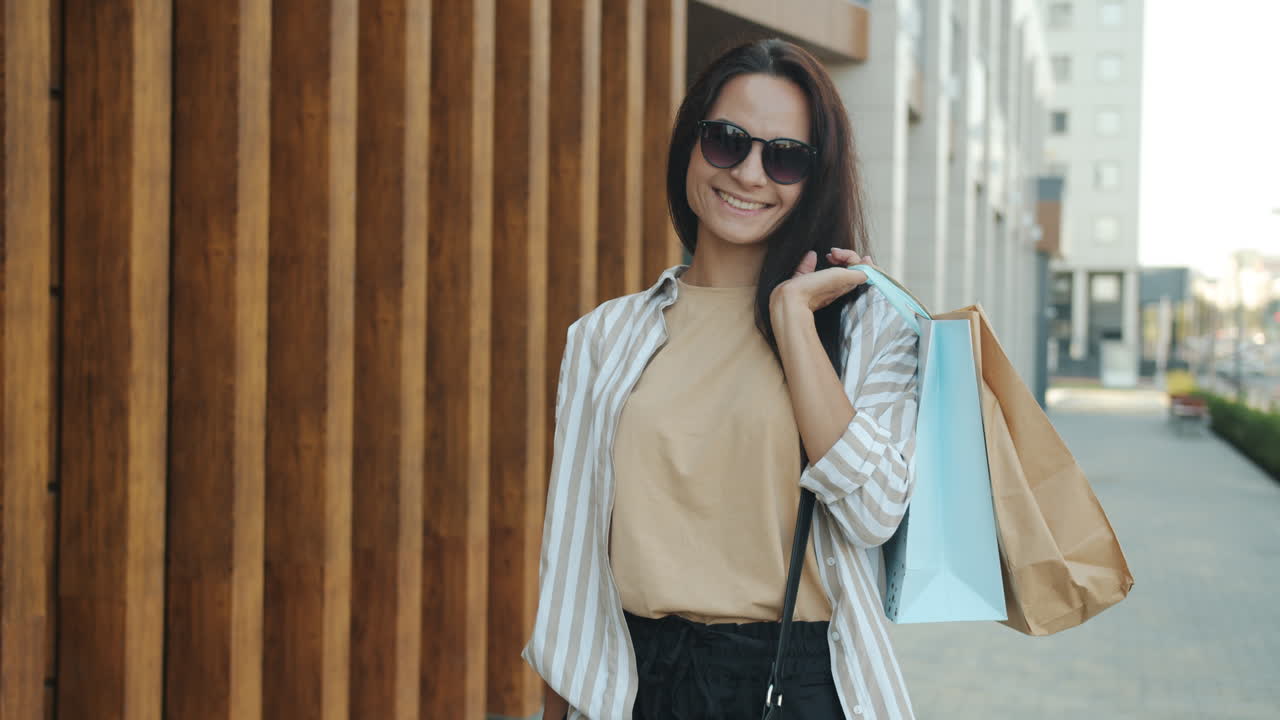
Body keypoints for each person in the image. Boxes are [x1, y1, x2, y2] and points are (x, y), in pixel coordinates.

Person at [523, 38, 920, 720]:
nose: (750, 173)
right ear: (691, 144)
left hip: (795, 683)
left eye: (785, 156)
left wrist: (794, 320)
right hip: (634, 679)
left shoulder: (866, 328)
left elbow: (874, 513)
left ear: (814, 177)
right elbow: (573, 565)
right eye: (727, 141)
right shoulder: (603, 338)